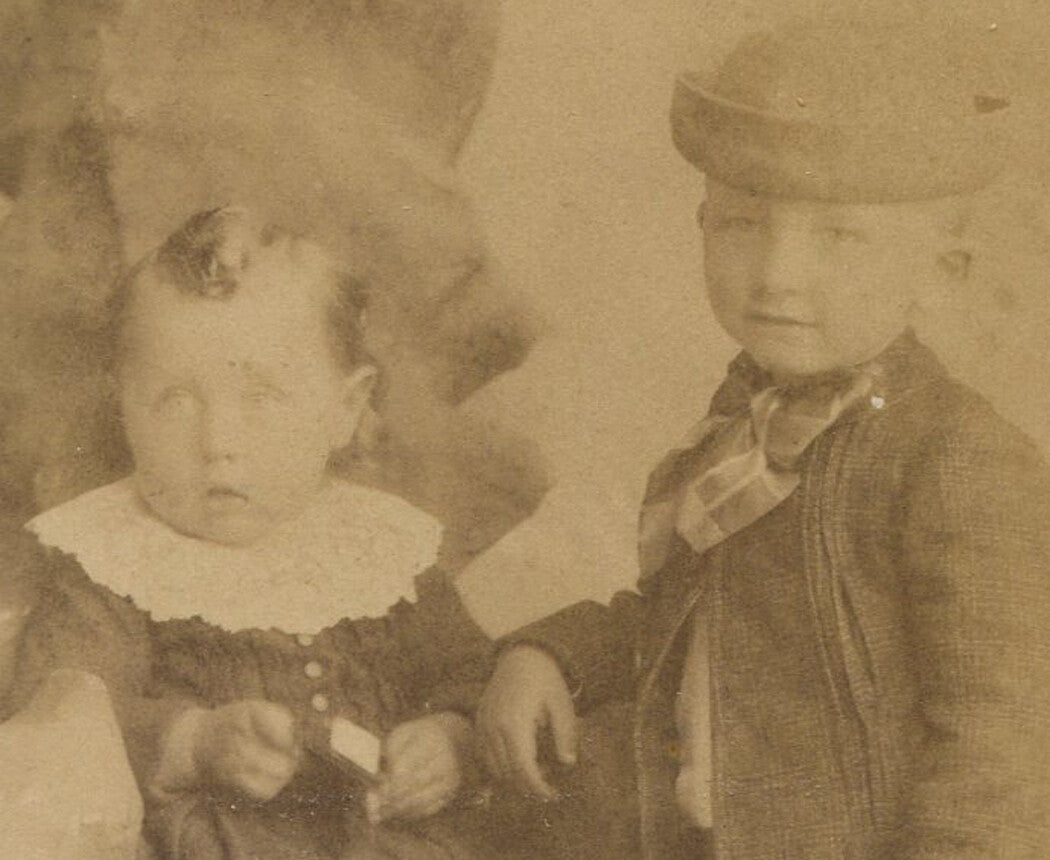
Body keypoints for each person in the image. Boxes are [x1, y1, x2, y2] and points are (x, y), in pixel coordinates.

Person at [475, 17, 1050, 859]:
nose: (779, 273)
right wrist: (550, 656)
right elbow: (689, 622)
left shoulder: (953, 456)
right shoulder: (740, 430)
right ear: (702, 223)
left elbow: (1003, 740)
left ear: (941, 268)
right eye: (745, 225)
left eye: (838, 235)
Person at [1, 206, 494, 859]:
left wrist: (451, 738)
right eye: (175, 401)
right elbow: (59, 723)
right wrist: (193, 742)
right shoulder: (112, 560)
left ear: (344, 409)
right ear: (123, 405)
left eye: (261, 398)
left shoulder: (377, 547)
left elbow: (470, 671)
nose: (219, 443)